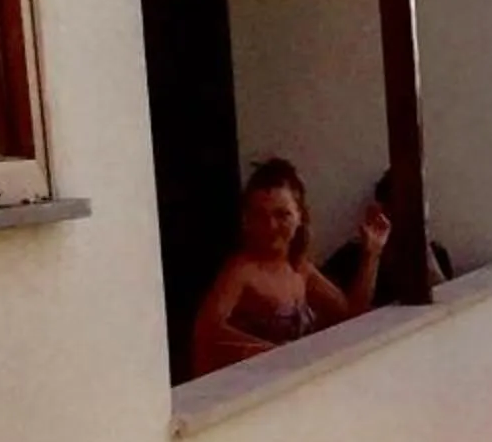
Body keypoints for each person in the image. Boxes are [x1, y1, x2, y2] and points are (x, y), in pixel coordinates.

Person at [191, 158, 388, 378]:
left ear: (300, 216)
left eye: (281, 214)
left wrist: (372, 253)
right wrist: (276, 355)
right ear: (247, 219)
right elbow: (206, 330)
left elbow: (352, 316)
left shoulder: (300, 269)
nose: (270, 226)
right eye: (259, 215)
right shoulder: (241, 270)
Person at [324, 168, 454, 299]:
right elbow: (343, 313)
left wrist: (423, 247)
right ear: (384, 209)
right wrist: (371, 254)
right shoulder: (349, 257)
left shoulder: (436, 253)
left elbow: (447, 305)